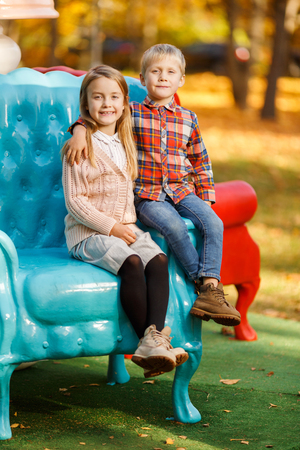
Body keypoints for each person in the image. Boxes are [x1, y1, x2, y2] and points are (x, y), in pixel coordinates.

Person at [65, 44, 241, 327]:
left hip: (181, 189)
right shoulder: (130, 112)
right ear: (142, 78)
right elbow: (100, 114)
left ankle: (211, 286)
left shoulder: (188, 118)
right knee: (173, 226)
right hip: (148, 194)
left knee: (213, 223)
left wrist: (206, 198)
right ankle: (200, 282)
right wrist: (79, 130)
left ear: (181, 80)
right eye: (155, 71)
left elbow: (200, 159)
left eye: (171, 72)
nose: (162, 77)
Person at [62, 64, 188, 379]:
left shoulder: (126, 136)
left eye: (114, 97)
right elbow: (76, 202)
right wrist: (79, 129)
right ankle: (151, 342)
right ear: (86, 104)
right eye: (98, 98)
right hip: (88, 234)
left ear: (125, 103)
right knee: (132, 262)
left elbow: (161, 112)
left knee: (157, 259)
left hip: (125, 229)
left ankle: (153, 341)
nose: (106, 104)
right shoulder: (80, 146)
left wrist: (122, 229)